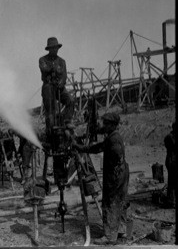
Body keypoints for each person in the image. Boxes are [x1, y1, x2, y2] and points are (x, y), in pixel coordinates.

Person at [73, 113, 130, 245]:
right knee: (120, 202)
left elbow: (110, 152)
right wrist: (83, 146)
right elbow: (99, 147)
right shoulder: (114, 136)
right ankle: (121, 231)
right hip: (121, 174)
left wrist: (79, 147)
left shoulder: (113, 139)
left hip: (115, 176)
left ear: (111, 125)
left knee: (110, 203)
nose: (103, 126)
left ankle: (109, 236)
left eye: (105, 124)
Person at [39, 37, 74, 134]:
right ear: (49, 49)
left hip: (60, 87)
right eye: (53, 48)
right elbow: (45, 69)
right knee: (51, 110)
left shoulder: (62, 61)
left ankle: (66, 121)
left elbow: (64, 75)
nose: (55, 50)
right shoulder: (42, 60)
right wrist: (53, 66)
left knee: (70, 100)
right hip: (48, 87)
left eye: (56, 48)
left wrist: (61, 83)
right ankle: (50, 130)